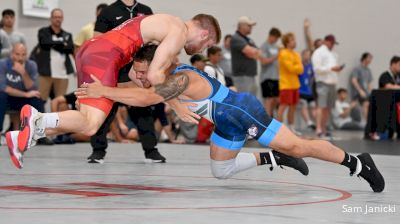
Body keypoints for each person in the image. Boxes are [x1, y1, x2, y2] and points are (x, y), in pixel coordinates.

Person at [76, 45, 385, 193]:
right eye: (138, 72)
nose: (140, 77)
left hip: (242, 111)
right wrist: (114, 83)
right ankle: (272, 158)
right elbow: (137, 85)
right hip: (224, 119)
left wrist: (105, 89)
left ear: (160, 65)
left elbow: (144, 97)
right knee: (221, 170)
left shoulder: (180, 78)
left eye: (145, 72)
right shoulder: (159, 74)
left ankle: (358, 163)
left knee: (299, 146)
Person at [6, 13, 221, 168]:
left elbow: (138, 74)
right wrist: (177, 105)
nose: (203, 50)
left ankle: (20, 137)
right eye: (207, 45)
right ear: (204, 34)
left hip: (94, 50)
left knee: (85, 118)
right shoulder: (179, 31)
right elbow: (156, 76)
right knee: (91, 124)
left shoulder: (166, 22)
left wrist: (139, 84)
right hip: (105, 55)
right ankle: (37, 120)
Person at [87, 0, 158, 164]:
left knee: (143, 108)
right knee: (106, 109)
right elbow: (97, 40)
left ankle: (151, 151)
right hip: (115, 70)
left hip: (139, 70)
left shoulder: (145, 10)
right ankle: (98, 151)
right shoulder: (108, 11)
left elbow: (153, 40)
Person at [0, 43, 44, 138]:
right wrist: (25, 94)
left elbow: (33, 88)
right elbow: (3, 87)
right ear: (12, 54)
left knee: (37, 97)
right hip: (8, 99)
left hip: (23, 99)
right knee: (1, 96)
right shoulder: (3, 64)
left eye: (23, 54)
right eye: (17, 54)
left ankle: (40, 134)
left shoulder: (31, 65)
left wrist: (23, 73)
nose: (20, 58)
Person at [33, 8, 74, 103]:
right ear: (51, 18)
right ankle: (39, 118)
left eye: (59, 17)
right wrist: (61, 44)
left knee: (59, 102)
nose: (57, 19)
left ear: (62, 18)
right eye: (55, 17)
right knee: (40, 100)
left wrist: (53, 44)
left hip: (62, 74)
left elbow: (69, 49)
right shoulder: (43, 31)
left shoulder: (67, 35)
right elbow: (44, 43)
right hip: (45, 72)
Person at [312, 34, 344, 138]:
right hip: (323, 83)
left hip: (332, 83)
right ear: (326, 41)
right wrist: (331, 69)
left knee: (328, 107)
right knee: (321, 106)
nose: (332, 45)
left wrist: (337, 69)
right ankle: (318, 129)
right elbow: (317, 68)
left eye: (334, 44)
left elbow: (333, 69)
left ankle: (324, 128)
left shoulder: (333, 54)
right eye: (331, 43)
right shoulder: (318, 52)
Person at [277, 32, 303, 134]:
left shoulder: (296, 54)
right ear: (287, 42)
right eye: (292, 40)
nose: (294, 42)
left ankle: (291, 127)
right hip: (286, 84)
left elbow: (301, 69)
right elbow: (291, 68)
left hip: (295, 84)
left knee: (293, 107)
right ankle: (279, 129)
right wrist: (296, 66)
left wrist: (297, 66)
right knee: (283, 106)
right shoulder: (283, 53)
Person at [230, 16, 260, 95]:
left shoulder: (248, 40)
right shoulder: (236, 38)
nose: (251, 28)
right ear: (242, 26)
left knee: (250, 102)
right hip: (242, 76)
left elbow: (258, 53)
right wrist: (253, 53)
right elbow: (251, 52)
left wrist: (253, 53)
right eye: (249, 26)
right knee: (243, 101)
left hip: (250, 75)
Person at [259, 27, 281, 117]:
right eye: (276, 38)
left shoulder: (276, 47)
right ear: (271, 36)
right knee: (269, 99)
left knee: (277, 99)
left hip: (276, 77)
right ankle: (268, 119)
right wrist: (276, 56)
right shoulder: (264, 46)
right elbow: (263, 61)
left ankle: (272, 117)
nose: (276, 40)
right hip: (267, 77)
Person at [349, 52, 373, 122]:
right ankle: (367, 123)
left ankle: (370, 122)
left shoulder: (368, 70)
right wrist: (360, 91)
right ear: (364, 58)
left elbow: (369, 83)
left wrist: (371, 92)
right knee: (366, 104)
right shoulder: (357, 69)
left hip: (366, 93)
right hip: (358, 93)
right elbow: (354, 80)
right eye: (369, 58)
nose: (370, 60)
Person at [299, 49, 316, 129]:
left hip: (308, 91)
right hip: (300, 90)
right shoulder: (299, 65)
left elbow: (313, 76)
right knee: (304, 104)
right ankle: (308, 122)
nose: (307, 56)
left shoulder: (310, 66)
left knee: (313, 105)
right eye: (306, 54)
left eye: (309, 55)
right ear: (302, 55)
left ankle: (317, 123)